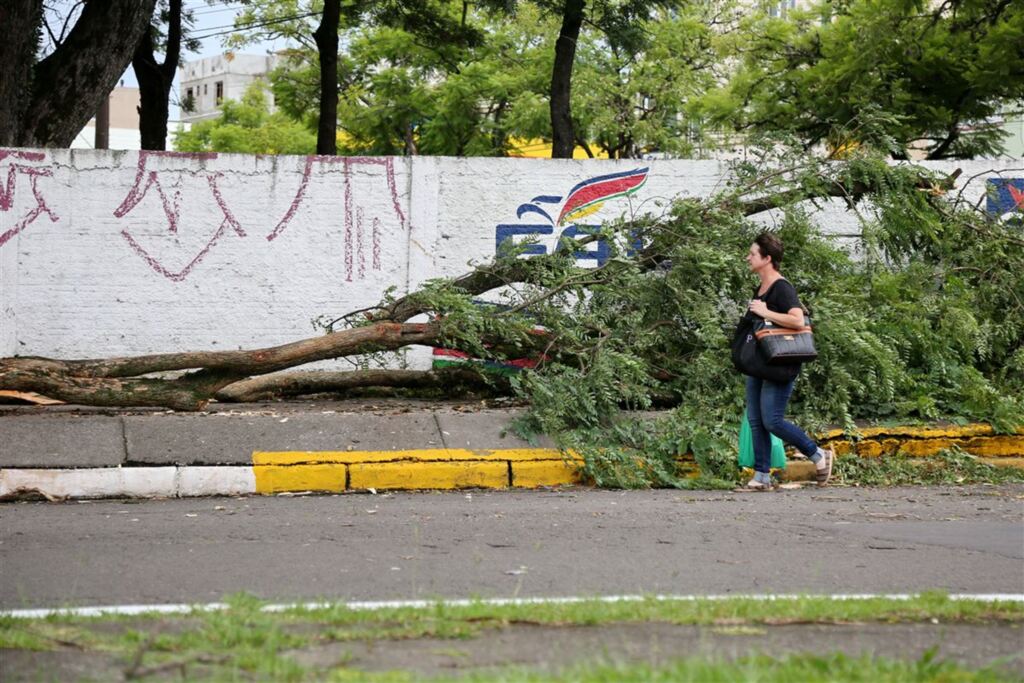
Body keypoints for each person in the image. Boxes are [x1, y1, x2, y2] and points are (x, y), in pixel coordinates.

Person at [740, 233, 833, 489]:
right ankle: (762, 475)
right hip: (760, 361)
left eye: (753, 254)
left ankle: (818, 454)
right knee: (756, 420)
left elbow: (796, 319)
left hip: (781, 362)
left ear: (767, 258)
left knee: (773, 420)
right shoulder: (760, 287)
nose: (748, 257)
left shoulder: (782, 287)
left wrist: (765, 311)